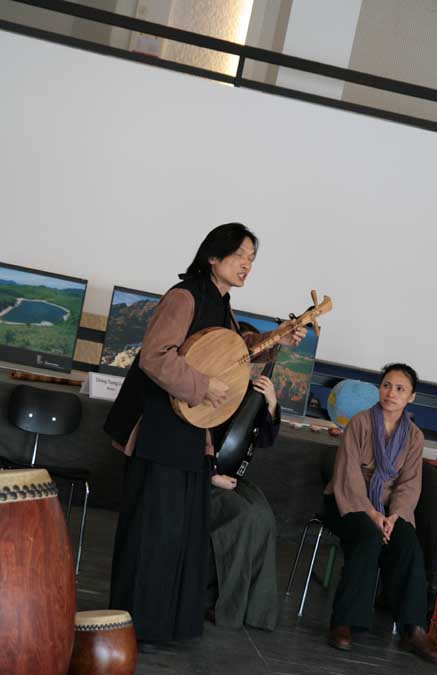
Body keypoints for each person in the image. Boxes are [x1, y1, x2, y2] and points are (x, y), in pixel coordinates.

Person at [106, 223, 305, 651]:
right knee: (153, 532)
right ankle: (134, 626)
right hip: (159, 432)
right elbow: (155, 357)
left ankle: (165, 625)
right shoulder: (184, 297)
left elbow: (236, 352)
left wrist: (280, 338)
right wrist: (202, 387)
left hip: (191, 435)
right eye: (240, 255)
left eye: (252, 258)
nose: (247, 264)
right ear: (213, 256)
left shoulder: (221, 304)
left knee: (180, 534)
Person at [323, 363, 437, 665]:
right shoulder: (360, 423)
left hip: (390, 509)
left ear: (411, 397)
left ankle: (413, 630)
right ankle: (344, 622)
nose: (391, 393)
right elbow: (349, 476)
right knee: (368, 537)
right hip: (348, 501)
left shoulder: (414, 436)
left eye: (400, 389)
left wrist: (395, 516)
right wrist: (371, 512)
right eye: (387, 386)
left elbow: (409, 484)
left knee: (408, 544)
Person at [206, 373, 281, 631]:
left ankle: (256, 611)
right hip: (200, 476)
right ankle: (224, 604)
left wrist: (271, 402)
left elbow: (263, 440)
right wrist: (211, 475)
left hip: (229, 478)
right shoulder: (206, 381)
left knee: (264, 517)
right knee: (243, 516)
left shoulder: (247, 392)